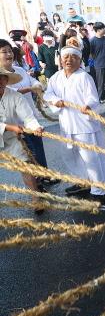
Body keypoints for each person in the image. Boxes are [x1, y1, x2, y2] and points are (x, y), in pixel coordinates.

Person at [43, 46, 105, 203]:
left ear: (80, 60)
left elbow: (93, 98)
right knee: (70, 156)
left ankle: (99, 190)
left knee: (91, 158)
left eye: (73, 57)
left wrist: (88, 105)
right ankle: (83, 182)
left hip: (84, 125)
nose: (69, 59)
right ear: (61, 59)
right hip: (66, 124)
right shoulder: (56, 77)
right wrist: (55, 101)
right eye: (66, 57)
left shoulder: (84, 77)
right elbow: (48, 94)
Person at [0, 39, 51, 176]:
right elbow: (10, 93)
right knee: (27, 153)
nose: (9, 54)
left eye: (10, 50)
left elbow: (31, 80)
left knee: (38, 146)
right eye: (4, 52)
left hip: (30, 117)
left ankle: (45, 175)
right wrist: (29, 89)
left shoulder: (20, 70)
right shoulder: (1, 77)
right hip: (15, 125)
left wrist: (37, 85)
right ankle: (36, 179)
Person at [0, 68, 45, 212]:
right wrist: (9, 127)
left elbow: (28, 117)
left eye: (2, 78)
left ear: (6, 80)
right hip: (11, 130)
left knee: (25, 166)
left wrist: (35, 127)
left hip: (13, 137)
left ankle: (35, 197)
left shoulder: (15, 96)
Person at [89, 22, 105, 102]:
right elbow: (91, 53)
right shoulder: (92, 41)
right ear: (97, 30)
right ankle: (101, 98)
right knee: (100, 83)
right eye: (102, 28)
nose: (104, 29)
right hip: (99, 65)